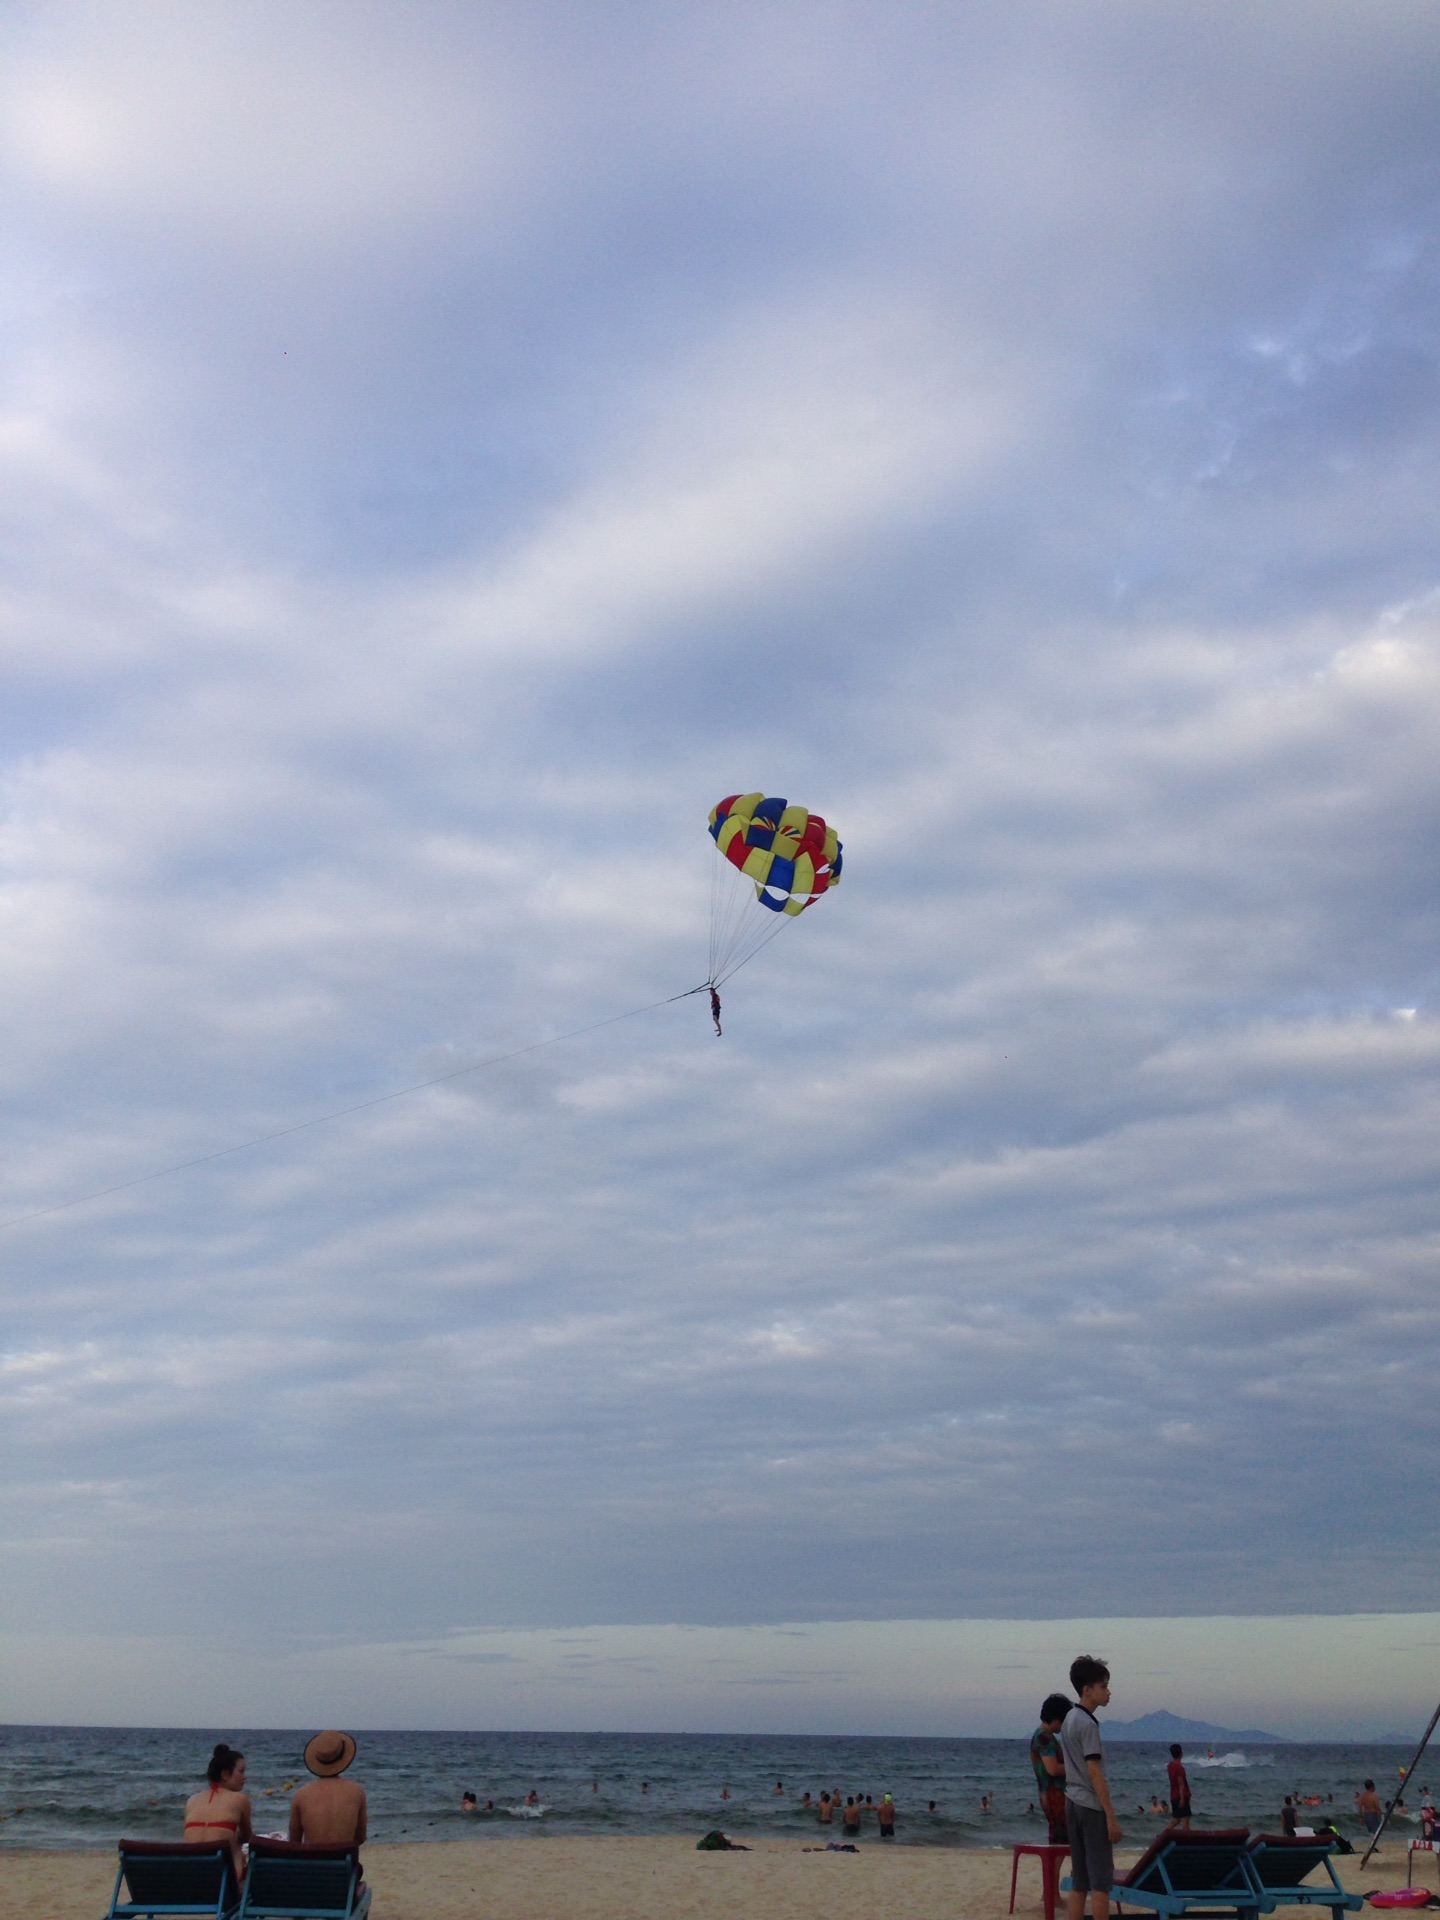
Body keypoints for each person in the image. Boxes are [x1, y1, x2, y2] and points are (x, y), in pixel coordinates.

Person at [1063, 1656, 1122, 1920]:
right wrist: (1111, 1816)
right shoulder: (1087, 1724)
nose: (1108, 1692)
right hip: (1089, 1805)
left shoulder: (1069, 1718)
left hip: (1071, 1801)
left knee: (1080, 1882)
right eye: (1103, 1686)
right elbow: (1095, 1772)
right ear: (1087, 1689)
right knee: (1100, 1883)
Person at [184, 1742, 254, 1886]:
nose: (245, 1777)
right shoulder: (240, 1799)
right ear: (225, 1774)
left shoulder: (192, 1800)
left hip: (191, 1880)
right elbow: (247, 1837)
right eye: (241, 1771)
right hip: (223, 1884)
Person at [290, 1731, 367, 1853]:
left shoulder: (301, 1795)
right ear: (345, 1760)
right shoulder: (357, 1792)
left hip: (312, 1867)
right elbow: (360, 1838)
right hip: (344, 1868)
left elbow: (294, 1843)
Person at [1032, 1694, 1071, 1846]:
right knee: (1060, 1841)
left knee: (1062, 1840)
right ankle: (1052, 1871)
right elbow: (1053, 1769)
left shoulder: (1044, 1736)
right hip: (1054, 1796)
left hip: (1053, 1795)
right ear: (1056, 1720)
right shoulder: (1044, 1738)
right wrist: (1077, 1768)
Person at [1167, 1744, 1192, 1829]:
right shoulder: (1179, 1768)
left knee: (1177, 1819)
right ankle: (1186, 1839)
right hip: (1181, 1797)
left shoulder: (1170, 1765)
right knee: (1186, 1820)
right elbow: (1181, 1784)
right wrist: (1182, 1799)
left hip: (1173, 1796)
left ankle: (1165, 1834)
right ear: (1181, 1753)